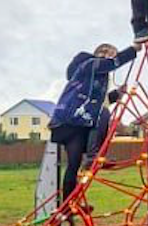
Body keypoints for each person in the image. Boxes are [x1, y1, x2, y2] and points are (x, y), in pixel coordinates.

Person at [48, 42, 140, 208]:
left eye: (111, 53)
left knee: (73, 165)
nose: (107, 55)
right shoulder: (89, 63)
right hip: (71, 119)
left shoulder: (97, 80)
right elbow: (112, 64)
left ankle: (68, 206)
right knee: (104, 113)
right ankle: (92, 156)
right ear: (97, 53)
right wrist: (133, 50)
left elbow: (99, 102)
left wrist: (117, 94)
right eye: (104, 52)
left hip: (76, 124)